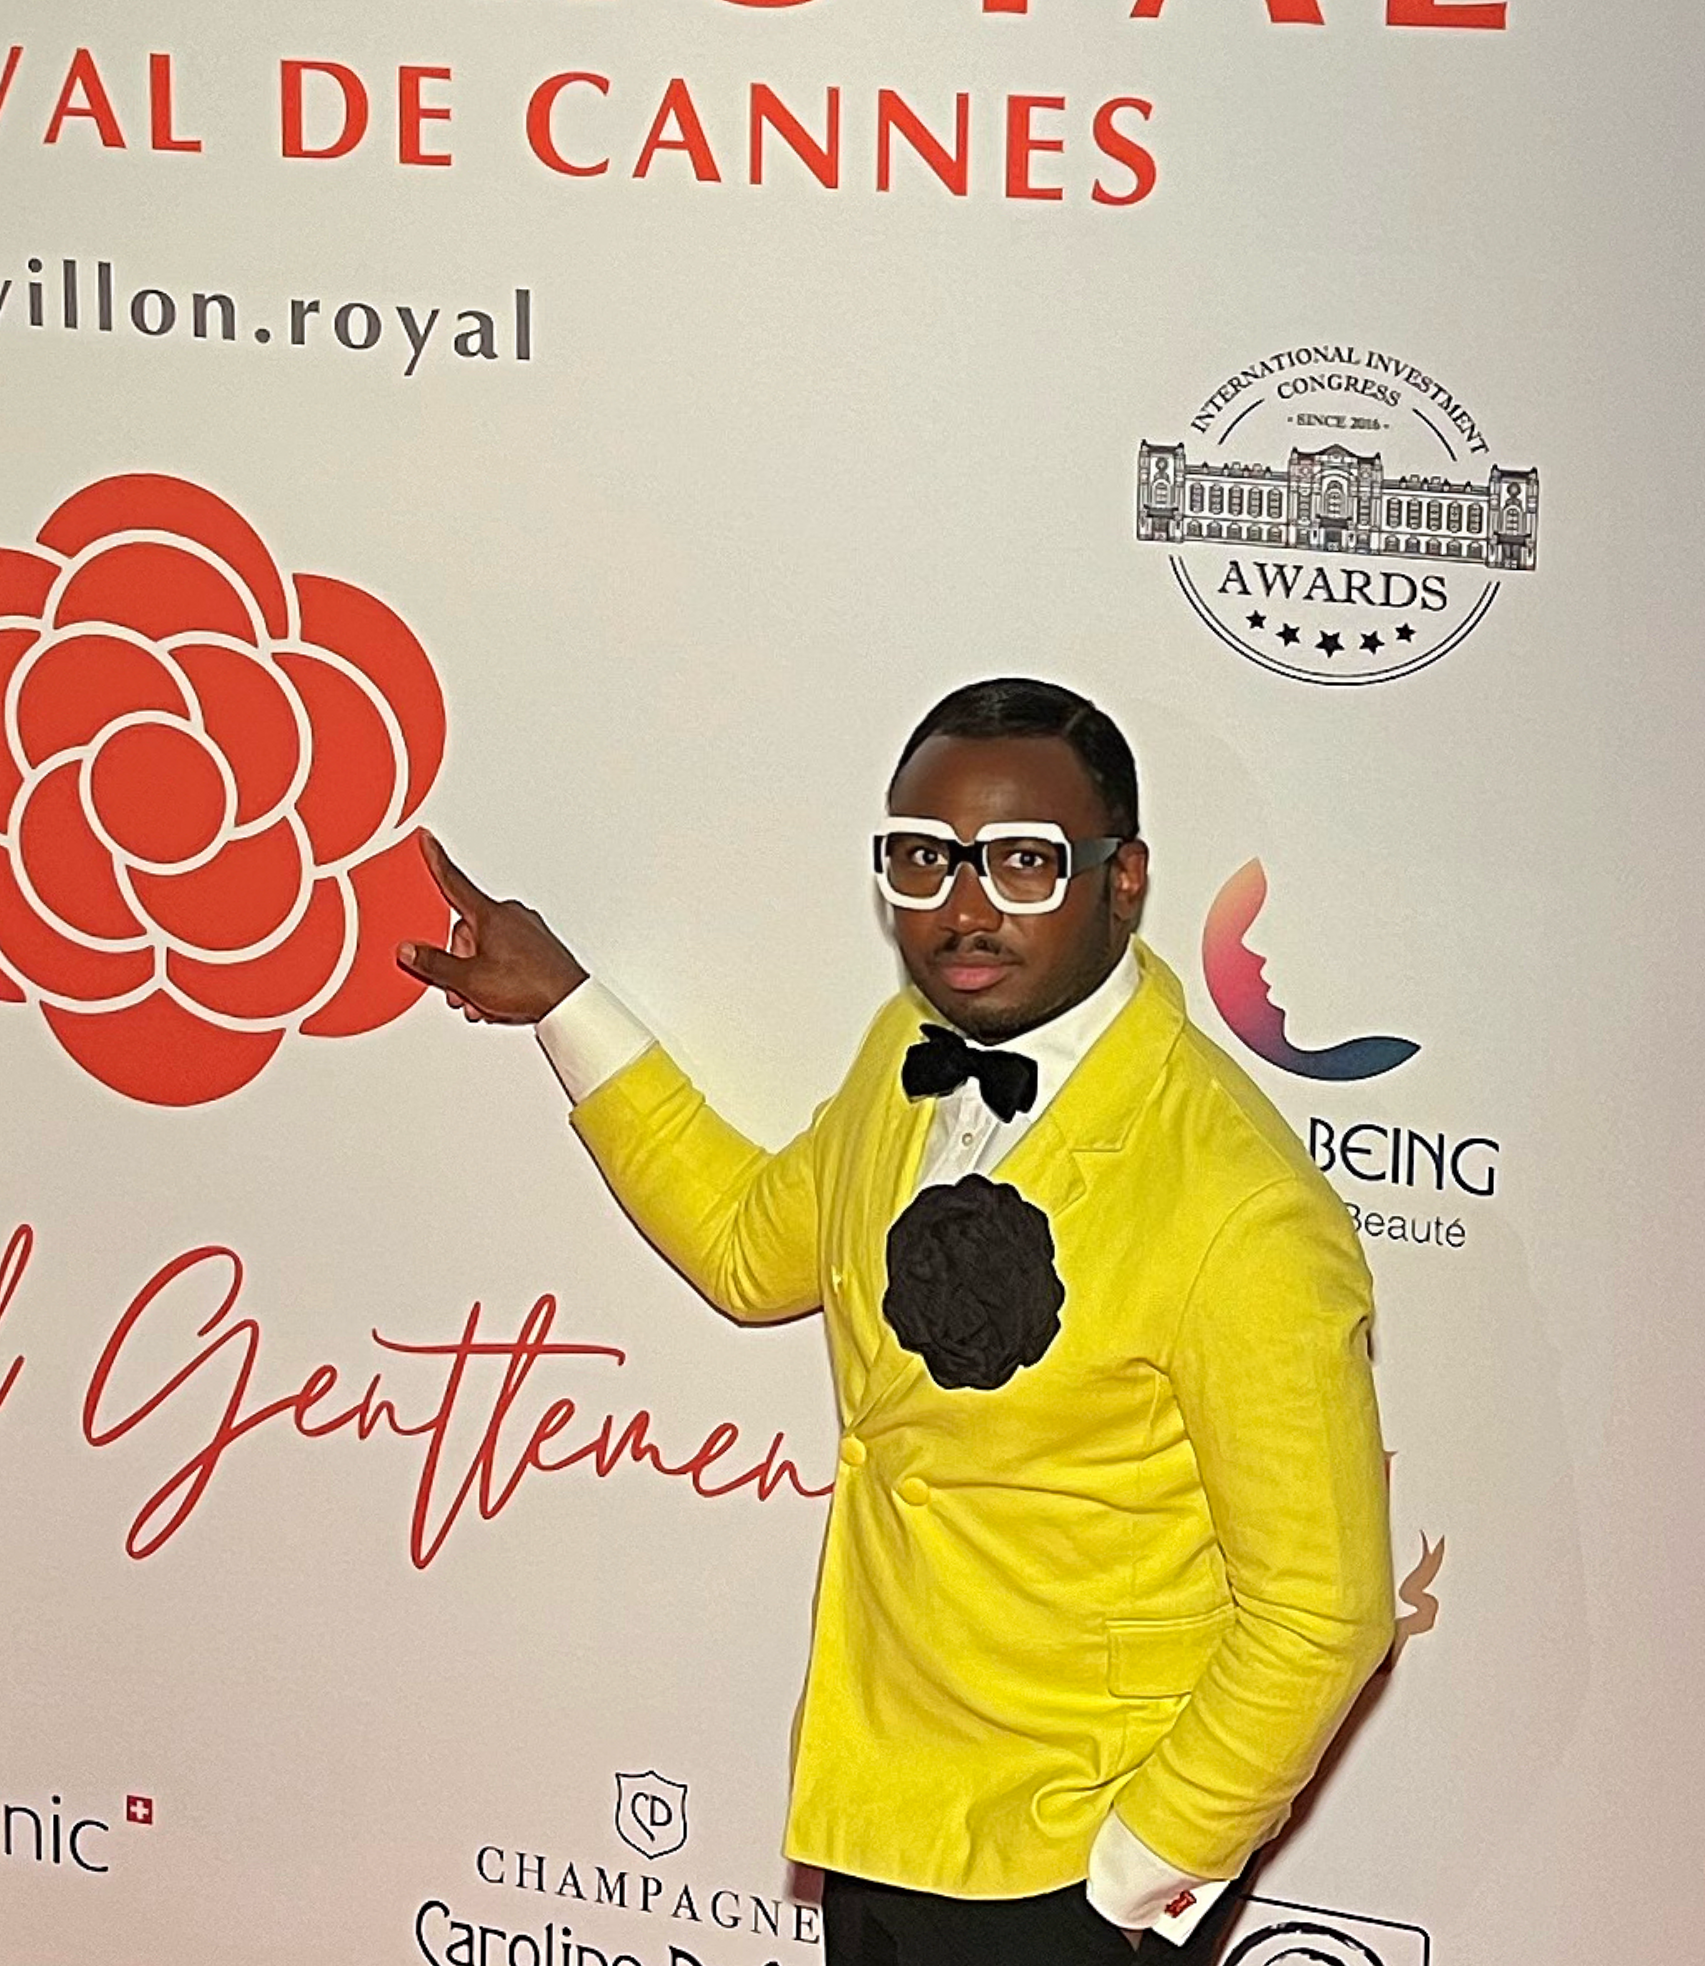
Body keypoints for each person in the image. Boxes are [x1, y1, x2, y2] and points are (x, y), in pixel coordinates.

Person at [399, 678, 1392, 1965]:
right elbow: (756, 1248)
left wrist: (1144, 1867)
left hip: (1071, 1851)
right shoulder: (905, 1049)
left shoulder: (1239, 1207)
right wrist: (569, 1007)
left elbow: (1324, 1609)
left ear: (1124, 879)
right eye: (923, 861)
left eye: (1023, 864)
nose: (964, 909)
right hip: (881, 1805)